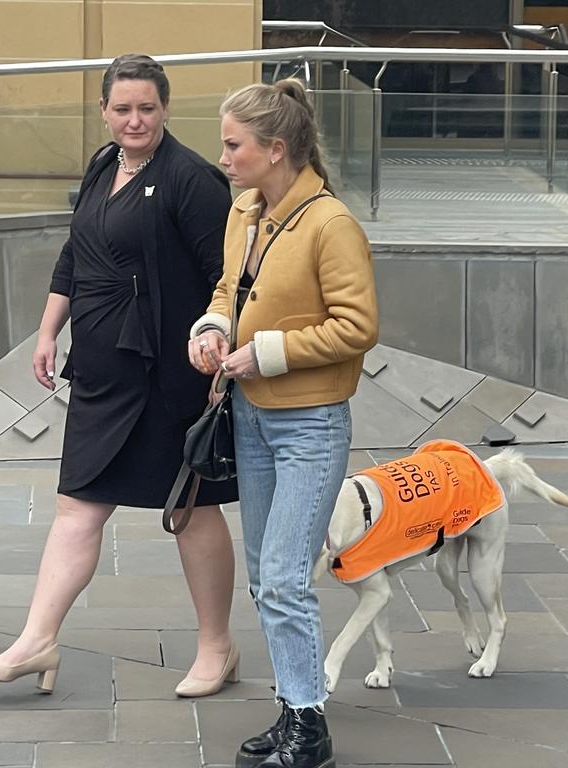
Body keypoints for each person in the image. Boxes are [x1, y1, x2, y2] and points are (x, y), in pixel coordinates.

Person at [0, 54, 239, 697]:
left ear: (166, 109)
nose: (135, 119)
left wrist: (217, 358)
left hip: (170, 376)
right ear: (103, 111)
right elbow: (76, 253)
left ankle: (217, 648)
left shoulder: (192, 179)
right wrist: (46, 330)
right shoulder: (102, 165)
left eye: (147, 107)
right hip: (101, 373)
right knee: (77, 505)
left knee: (189, 510)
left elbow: (225, 281)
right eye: (123, 109)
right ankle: (37, 642)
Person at [189, 79, 378, 768]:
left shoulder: (331, 225)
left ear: (275, 149)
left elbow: (358, 326)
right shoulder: (245, 210)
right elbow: (228, 291)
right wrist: (210, 331)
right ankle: (295, 706)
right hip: (252, 416)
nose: (225, 154)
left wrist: (264, 352)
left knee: (284, 576)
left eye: (234, 144)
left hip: (309, 424)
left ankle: (308, 724)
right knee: (270, 575)